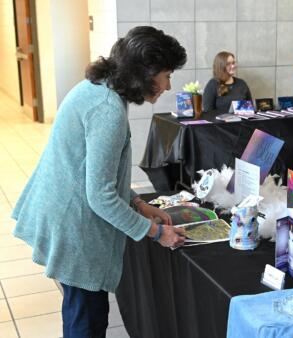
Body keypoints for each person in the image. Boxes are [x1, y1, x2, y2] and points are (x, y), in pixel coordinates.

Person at [11, 26, 188, 337]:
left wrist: (138, 203)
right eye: (166, 75)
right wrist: (156, 232)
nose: (168, 85)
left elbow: (101, 173)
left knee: (82, 310)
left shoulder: (98, 88)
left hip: (65, 212)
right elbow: (101, 195)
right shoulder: (107, 109)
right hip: (73, 224)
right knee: (87, 320)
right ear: (144, 73)